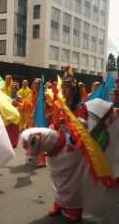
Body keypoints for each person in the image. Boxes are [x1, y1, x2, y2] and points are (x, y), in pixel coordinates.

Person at [47, 66, 88, 222]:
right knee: (58, 177)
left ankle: (75, 210)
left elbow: (83, 124)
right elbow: (57, 121)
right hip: (60, 144)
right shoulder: (62, 105)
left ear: (73, 90)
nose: (63, 91)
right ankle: (59, 203)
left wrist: (69, 124)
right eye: (62, 88)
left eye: (66, 88)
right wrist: (54, 126)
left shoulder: (80, 106)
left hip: (73, 145)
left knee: (72, 179)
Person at [6, 82, 22, 148]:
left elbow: (21, 106)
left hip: (16, 114)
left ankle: (14, 143)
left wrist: (17, 103)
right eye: (11, 88)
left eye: (14, 88)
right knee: (8, 128)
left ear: (16, 89)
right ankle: (8, 142)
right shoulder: (8, 96)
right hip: (9, 114)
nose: (12, 90)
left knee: (15, 129)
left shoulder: (19, 97)